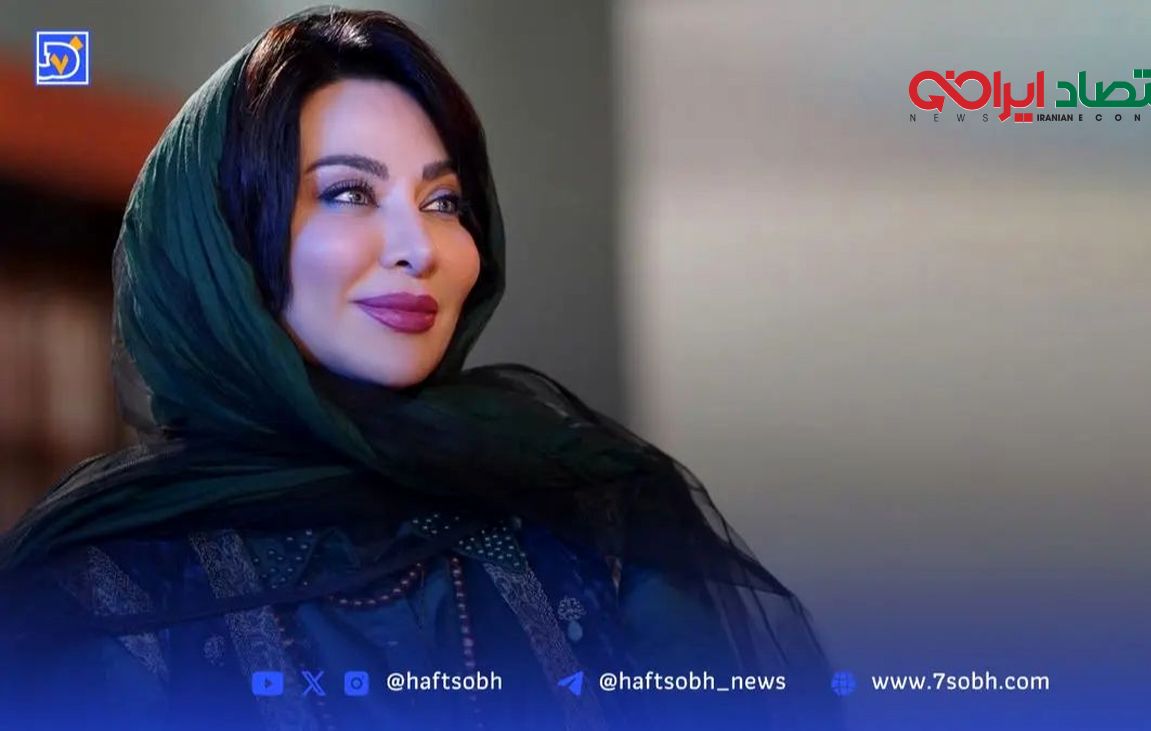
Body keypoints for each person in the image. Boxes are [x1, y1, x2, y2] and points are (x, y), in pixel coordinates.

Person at [0, 7, 844, 730]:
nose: (420, 248)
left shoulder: (597, 522)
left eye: (444, 202)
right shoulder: (106, 585)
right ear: (228, 248)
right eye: (348, 193)